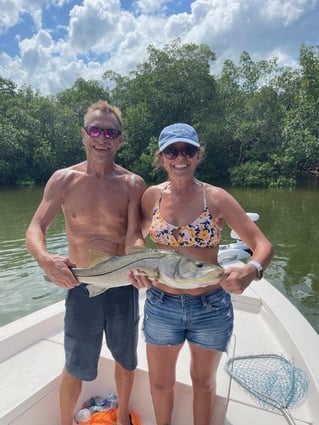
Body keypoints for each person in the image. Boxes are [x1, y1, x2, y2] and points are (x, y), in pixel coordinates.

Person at [128, 123, 273, 425]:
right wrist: (138, 261)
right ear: (161, 157)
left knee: (203, 383)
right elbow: (136, 237)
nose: (180, 158)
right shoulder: (151, 196)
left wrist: (251, 270)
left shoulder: (217, 197)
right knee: (159, 383)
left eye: (188, 150)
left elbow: (262, 245)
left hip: (210, 307)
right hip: (161, 304)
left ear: (197, 155)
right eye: (172, 151)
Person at [25, 100, 146, 425]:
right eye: (95, 130)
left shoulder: (133, 184)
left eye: (110, 132)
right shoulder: (64, 180)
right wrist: (45, 259)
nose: (102, 138)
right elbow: (36, 228)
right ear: (83, 135)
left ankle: (122, 419)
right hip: (80, 284)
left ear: (120, 139)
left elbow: (134, 235)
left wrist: (139, 260)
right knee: (76, 363)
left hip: (122, 283)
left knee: (126, 358)